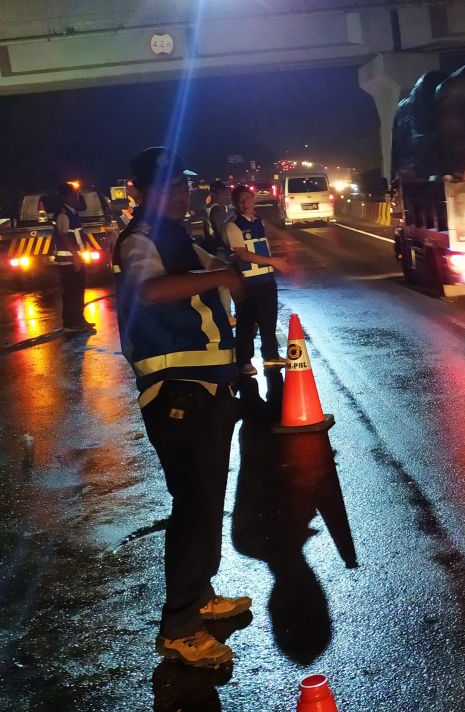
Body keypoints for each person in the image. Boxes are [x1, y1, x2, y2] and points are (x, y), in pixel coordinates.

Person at [114, 147, 251, 668]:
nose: (180, 193)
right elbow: (149, 290)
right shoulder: (140, 240)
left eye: (184, 185)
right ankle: (180, 626)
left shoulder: (183, 239)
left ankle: (200, 596)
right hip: (177, 393)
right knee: (193, 506)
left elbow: (221, 275)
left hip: (209, 389)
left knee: (207, 499)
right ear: (143, 192)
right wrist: (218, 277)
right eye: (168, 186)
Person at [224, 185, 287, 376]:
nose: (244, 203)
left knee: (269, 319)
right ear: (234, 203)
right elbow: (242, 254)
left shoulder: (259, 222)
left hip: (266, 279)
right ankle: (244, 361)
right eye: (240, 200)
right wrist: (273, 261)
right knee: (247, 323)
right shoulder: (233, 225)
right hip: (248, 282)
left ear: (253, 198)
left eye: (247, 199)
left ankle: (271, 355)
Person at [53, 182, 94, 333]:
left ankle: (79, 320)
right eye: (72, 194)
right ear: (65, 197)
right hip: (69, 261)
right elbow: (64, 236)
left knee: (79, 291)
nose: (76, 197)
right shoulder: (63, 214)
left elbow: (77, 234)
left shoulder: (73, 212)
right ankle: (70, 324)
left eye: (76, 194)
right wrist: (75, 257)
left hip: (76, 259)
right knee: (72, 292)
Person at [204, 180, 234, 255]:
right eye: (223, 192)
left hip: (213, 248)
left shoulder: (208, 207)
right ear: (214, 194)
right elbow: (224, 231)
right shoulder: (218, 210)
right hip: (221, 250)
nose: (226, 195)